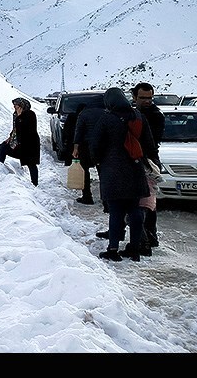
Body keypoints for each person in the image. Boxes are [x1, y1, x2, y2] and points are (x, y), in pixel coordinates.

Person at [90, 88, 156, 262]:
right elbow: (149, 144)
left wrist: (98, 161)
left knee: (116, 211)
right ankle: (134, 249)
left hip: (113, 171)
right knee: (135, 209)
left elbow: (95, 145)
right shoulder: (139, 117)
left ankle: (113, 249)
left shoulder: (106, 118)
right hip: (136, 168)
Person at [132, 82, 164, 249]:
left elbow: (150, 142)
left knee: (148, 203)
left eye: (150, 98)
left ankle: (150, 236)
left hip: (148, 162)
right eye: (143, 98)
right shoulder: (133, 114)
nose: (147, 101)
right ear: (134, 97)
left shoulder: (155, 115)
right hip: (137, 160)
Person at [0, 97, 40, 186]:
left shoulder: (30, 114)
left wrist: (20, 116)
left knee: (31, 163)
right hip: (19, 144)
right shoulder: (16, 114)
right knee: (2, 147)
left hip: (30, 144)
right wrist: (10, 137)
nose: (14, 107)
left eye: (16, 105)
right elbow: (16, 129)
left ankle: (35, 183)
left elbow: (26, 129)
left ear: (22, 106)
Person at [70, 104, 105, 205]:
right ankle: (106, 201)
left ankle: (87, 197)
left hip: (86, 146)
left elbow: (79, 132)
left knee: (84, 171)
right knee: (103, 173)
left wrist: (75, 148)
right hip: (102, 146)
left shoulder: (83, 114)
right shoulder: (105, 113)